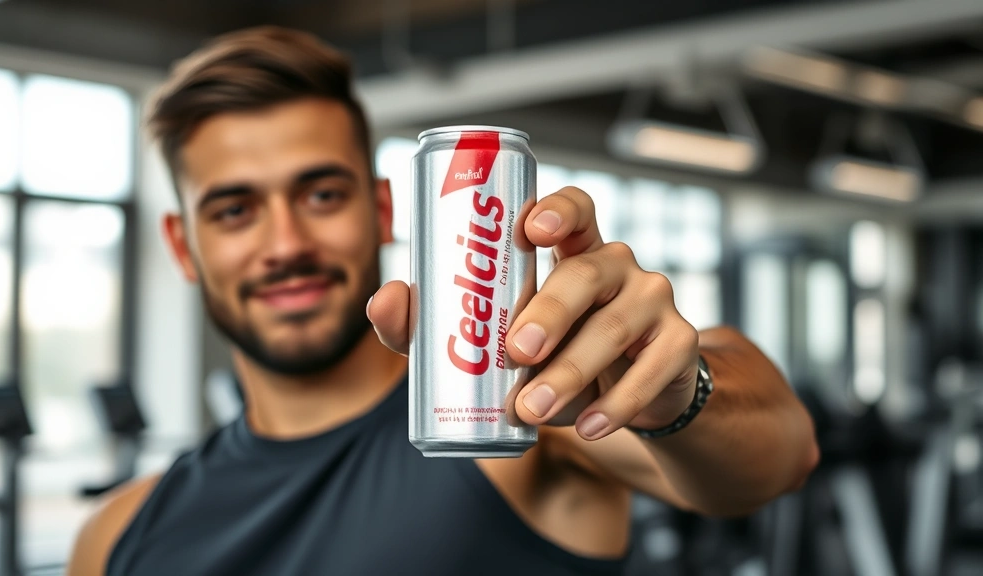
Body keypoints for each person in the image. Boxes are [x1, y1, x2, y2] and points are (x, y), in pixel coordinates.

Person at [67, 26, 819, 576]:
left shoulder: (518, 420)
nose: (286, 242)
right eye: (235, 210)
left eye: (321, 195)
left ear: (384, 211)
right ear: (182, 245)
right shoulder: (117, 537)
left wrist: (676, 395)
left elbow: (782, 452)